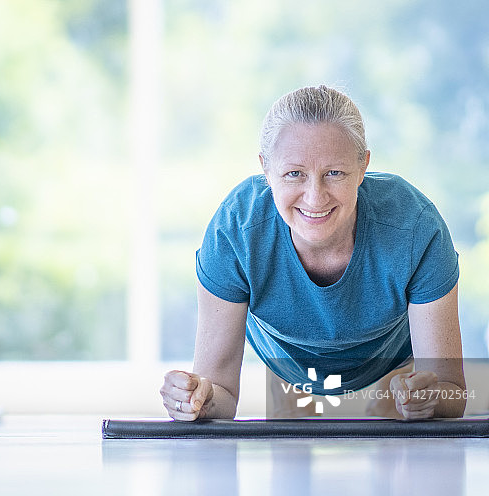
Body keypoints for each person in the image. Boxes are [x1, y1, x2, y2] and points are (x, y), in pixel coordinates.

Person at [160, 85, 466, 420]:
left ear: (363, 166)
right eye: (294, 174)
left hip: (390, 362)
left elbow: (451, 389)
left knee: (395, 430)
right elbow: (221, 394)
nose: (315, 197)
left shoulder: (415, 227)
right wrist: (196, 398)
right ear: (266, 170)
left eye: (334, 173)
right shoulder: (236, 230)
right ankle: (291, 393)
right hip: (285, 360)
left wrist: (429, 397)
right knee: (290, 443)